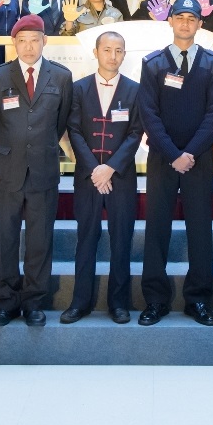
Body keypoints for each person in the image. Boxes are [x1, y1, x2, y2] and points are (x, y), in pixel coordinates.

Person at [137, 0, 213, 326]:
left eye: (192, 18)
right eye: (180, 17)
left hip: (199, 159)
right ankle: (155, 300)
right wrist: (174, 154)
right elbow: (148, 114)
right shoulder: (153, 64)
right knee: (156, 229)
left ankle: (199, 300)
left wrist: (190, 153)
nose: (186, 23)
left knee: (200, 230)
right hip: (163, 159)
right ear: (170, 22)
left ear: (200, 24)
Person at [0, 15, 74, 327]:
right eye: (22, 41)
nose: (28, 46)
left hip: (43, 170)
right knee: (4, 239)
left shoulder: (61, 77)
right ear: (14, 43)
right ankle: (7, 301)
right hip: (8, 169)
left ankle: (34, 302)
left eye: (35, 40)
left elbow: (60, 123)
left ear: (45, 41)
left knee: (40, 239)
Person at [65, 31, 144, 324]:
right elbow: (73, 130)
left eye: (119, 50)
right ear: (96, 52)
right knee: (86, 238)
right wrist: (94, 168)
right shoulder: (79, 89)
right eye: (107, 49)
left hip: (120, 177)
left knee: (121, 239)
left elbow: (136, 132)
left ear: (124, 55)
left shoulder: (135, 90)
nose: (113, 55)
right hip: (88, 177)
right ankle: (79, 302)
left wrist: (110, 168)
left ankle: (119, 303)